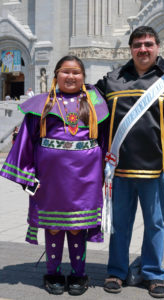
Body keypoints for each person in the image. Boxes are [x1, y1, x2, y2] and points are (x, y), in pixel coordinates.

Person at [96, 26, 164, 298]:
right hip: (119, 168)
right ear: (130, 48)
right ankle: (116, 272)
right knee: (120, 224)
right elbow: (88, 112)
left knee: (154, 224)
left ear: (157, 47)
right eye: (138, 44)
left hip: (156, 169)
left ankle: (153, 273)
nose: (143, 49)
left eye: (148, 44)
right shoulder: (112, 79)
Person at [0, 55, 109, 296]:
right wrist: (27, 175)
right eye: (65, 72)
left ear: (83, 76)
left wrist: (106, 170)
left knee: (77, 227)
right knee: (54, 227)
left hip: (85, 178)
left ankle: (79, 275)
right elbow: (26, 140)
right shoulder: (42, 103)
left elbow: (103, 139)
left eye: (76, 72)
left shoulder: (95, 103)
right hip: (50, 178)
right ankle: (53, 273)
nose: (71, 76)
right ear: (56, 75)